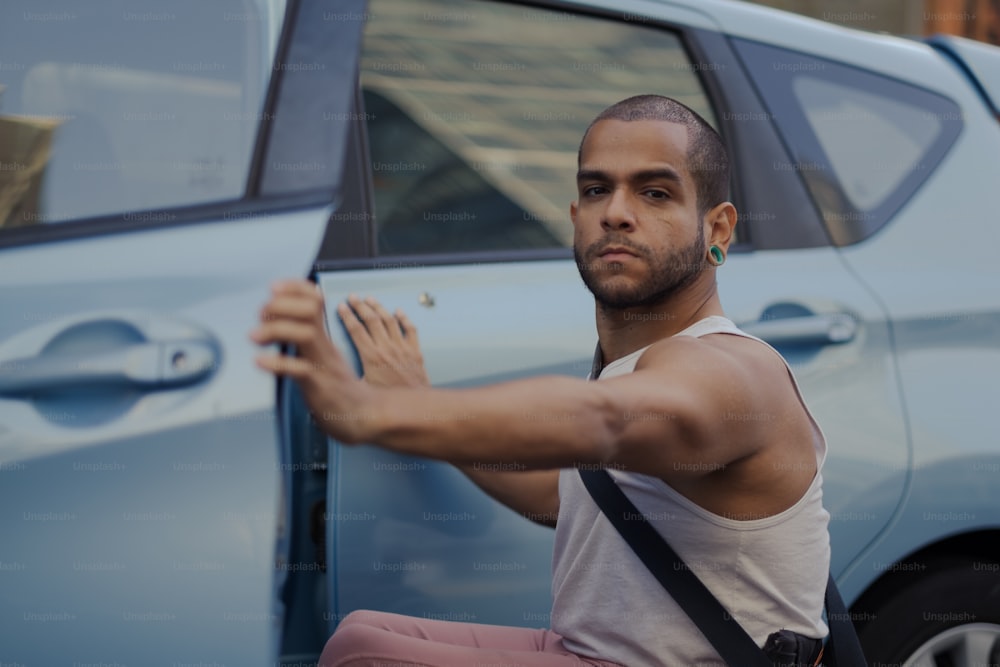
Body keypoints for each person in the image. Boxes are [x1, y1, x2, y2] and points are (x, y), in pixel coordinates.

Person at [250, 94, 830, 666]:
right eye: (596, 189)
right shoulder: (628, 361)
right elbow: (564, 491)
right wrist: (419, 399)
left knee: (366, 661)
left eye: (655, 193)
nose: (617, 212)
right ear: (575, 217)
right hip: (599, 652)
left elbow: (601, 420)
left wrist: (368, 411)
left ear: (718, 230)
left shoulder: (729, 370)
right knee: (357, 637)